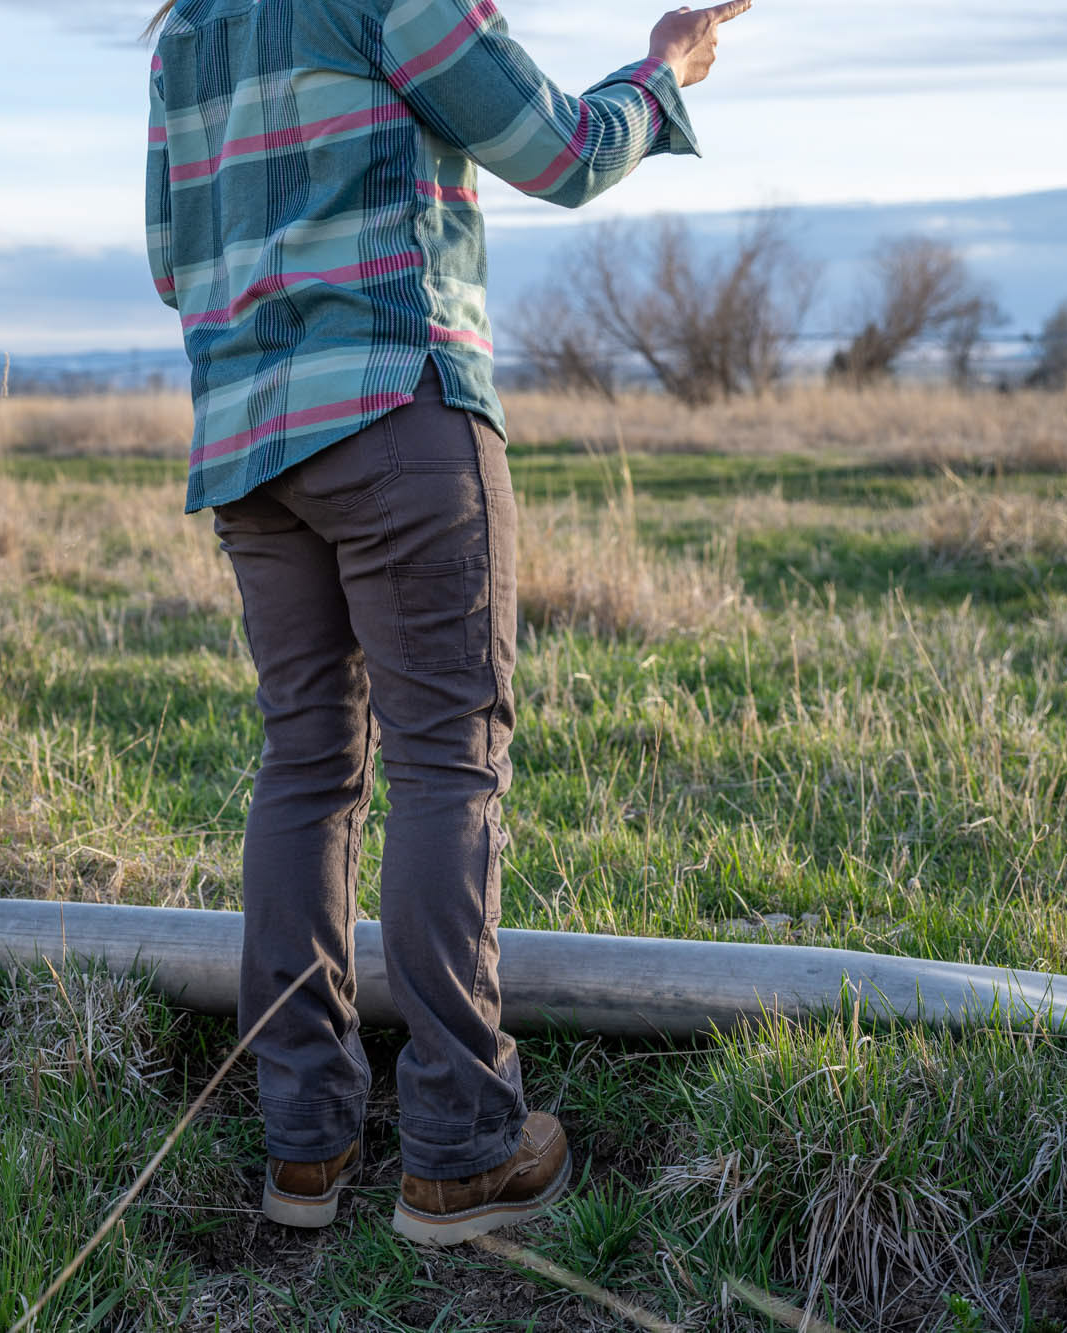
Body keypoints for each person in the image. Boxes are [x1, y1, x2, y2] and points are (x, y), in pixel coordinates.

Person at [142, 0, 747, 1245]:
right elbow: (562, 153)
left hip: (249, 444)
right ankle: (464, 1144)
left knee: (305, 767)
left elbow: (170, 262)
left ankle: (304, 1147)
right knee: (443, 759)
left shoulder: (187, 30)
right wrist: (664, 69)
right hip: (395, 408)